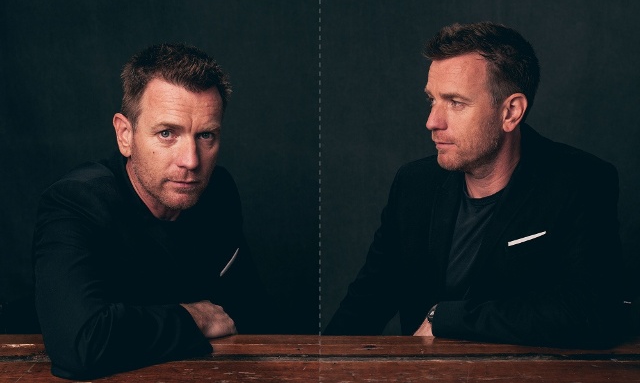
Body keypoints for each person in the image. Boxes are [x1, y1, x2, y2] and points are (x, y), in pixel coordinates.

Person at [325, 22, 628, 348]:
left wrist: (446, 319)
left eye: (455, 102)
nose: (432, 121)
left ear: (511, 112)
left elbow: (593, 311)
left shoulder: (579, 181)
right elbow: (366, 302)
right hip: (422, 372)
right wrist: (318, 366)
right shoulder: (414, 184)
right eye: (432, 100)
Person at [33, 43, 271, 379]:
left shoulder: (217, 191)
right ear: (125, 135)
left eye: (205, 135)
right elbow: (81, 344)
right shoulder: (76, 202)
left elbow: (247, 312)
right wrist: (195, 318)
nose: (191, 161)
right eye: (167, 133)